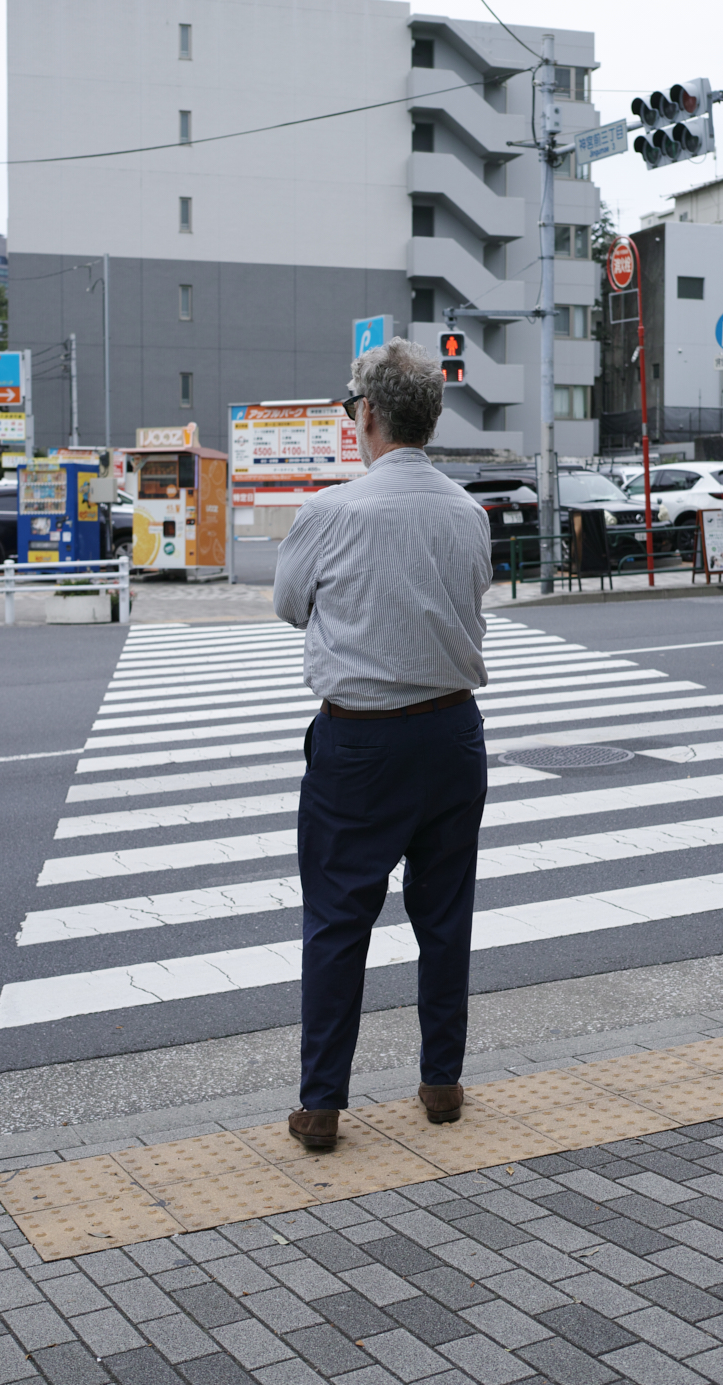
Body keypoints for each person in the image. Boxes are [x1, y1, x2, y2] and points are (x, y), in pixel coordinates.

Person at [273, 337, 493, 1150]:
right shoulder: (468, 512)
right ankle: (441, 1085)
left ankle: (323, 1105)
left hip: (358, 742)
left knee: (338, 920)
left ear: (367, 415)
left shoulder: (329, 512)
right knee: (445, 916)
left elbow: (291, 608)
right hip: (451, 732)